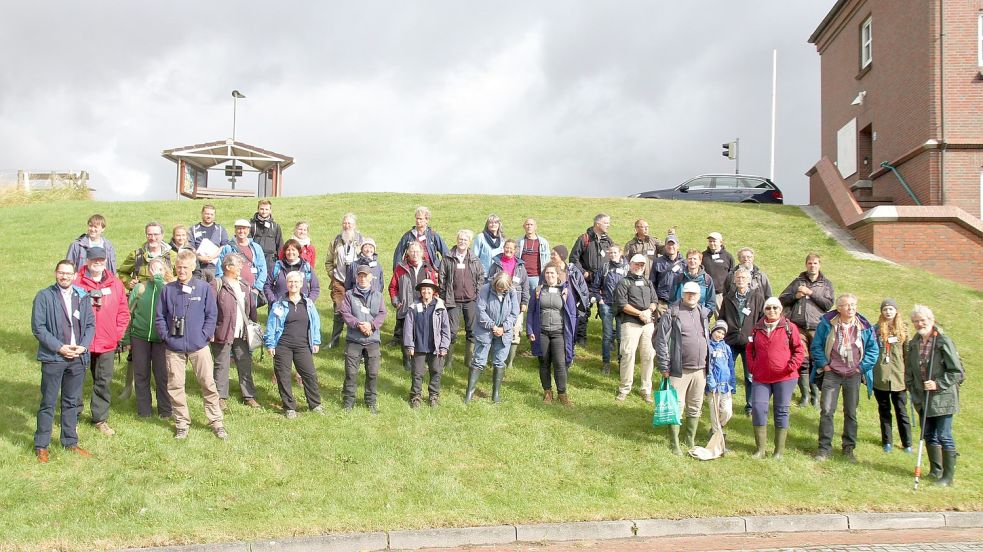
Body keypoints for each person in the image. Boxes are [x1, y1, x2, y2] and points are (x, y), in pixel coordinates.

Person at [155, 250, 225, 440]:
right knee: (176, 386)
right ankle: (182, 423)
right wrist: (166, 337)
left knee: (208, 384)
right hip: (174, 348)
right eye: (179, 267)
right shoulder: (168, 290)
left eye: (185, 267)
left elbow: (212, 315)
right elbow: (160, 317)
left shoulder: (203, 288)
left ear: (193, 267)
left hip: (199, 346)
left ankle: (216, 421)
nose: (182, 271)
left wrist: (204, 335)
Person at [31, 260, 95, 462]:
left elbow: (91, 324)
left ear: (75, 275)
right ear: (55, 273)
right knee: (48, 402)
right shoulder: (44, 296)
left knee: (71, 402)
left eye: (68, 273)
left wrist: (83, 346)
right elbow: (38, 328)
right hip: (54, 357)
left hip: (77, 358)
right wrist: (60, 347)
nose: (64, 276)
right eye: (61, 273)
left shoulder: (82, 296)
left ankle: (70, 442)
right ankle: (42, 445)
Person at [810, 293, 878, 463]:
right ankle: (824, 448)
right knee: (826, 411)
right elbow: (816, 346)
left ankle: (848, 448)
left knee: (851, 412)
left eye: (853, 305)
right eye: (847, 305)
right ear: (839, 308)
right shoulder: (827, 324)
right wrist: (824, 364)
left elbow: (873, 350)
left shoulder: (865, 326)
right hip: (832, 373)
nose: (851, 308)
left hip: (853, 374)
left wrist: (861, 368)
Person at [905, 305, 964, 487]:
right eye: (916, 321)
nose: (919, 324)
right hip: (922, 397)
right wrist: (912, 389)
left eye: (923, 320)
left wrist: (938, 383)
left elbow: (956, 372)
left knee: (944, 434)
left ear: (931, 320)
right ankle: (935, 471)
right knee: (929, 433)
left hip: (943, 397)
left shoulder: (943, 342)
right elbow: (910, 371)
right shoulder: (914, 343)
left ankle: (948, 477)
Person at [73, 247, 129, 437]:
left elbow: (123, 312)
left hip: (107, 341)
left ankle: (100, 418)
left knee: (103, 381)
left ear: (105, 261)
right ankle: (73, 417)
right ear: (87, 261)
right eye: (94, 259)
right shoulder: (76, 283)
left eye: (101, 259)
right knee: (76, 380)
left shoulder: (115, 284)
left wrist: (116, 334)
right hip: (82, 342)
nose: (97, 262)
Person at [655, 281, 712, 455]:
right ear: (683, 294)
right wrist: (664, 365)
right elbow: (661, 341)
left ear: (699, 295)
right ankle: (674, 443)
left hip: (701, 368)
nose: (691, 296)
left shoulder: (703, 313)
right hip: (678, 369)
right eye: (688, 293)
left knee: (695, 405)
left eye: (694, 294)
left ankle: (690, 439)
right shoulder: (672, 313)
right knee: (676, 406)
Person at [746, 297, 805, 459]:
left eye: (775, 308)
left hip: (785, 377)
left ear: (780, 310)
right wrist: (752, 367)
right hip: (761, 377)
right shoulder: (756, 329)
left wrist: (791, 367)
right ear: (764, 310)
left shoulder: (789, 327)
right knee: (758, 408)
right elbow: (749, 350)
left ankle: (778, 451)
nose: (772, 311)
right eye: (768, 308)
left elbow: (799, 350)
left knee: (781, 411)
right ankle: (760, 450)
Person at [265, 271, 324, 419]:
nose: (293, 284)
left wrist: (316, 341)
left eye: (296, 282)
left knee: (309, 375)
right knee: (283, 376)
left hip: (303, 345)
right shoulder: (279, 304)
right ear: (287, 283)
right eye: (290, 281)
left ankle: (315, 404)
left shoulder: (308, 303)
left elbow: (315, 323)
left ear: (301, 284)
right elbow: (271, 325)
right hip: (282, 345)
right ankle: (289, 407)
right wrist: (270, 344)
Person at [779, 252, 834, 408]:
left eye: (815, 263)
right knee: (803, 361)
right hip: (799, 327)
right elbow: (782, 299)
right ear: (806, 265)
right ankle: (805, 396)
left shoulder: (826, 284)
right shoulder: (797, 281)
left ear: (819, 265)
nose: (812, 266)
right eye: (810, 263)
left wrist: (811, 293)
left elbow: (828, 304)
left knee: (816, 361)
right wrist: (796, 296)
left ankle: (816, 396)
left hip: (818, 328)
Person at [210, 253, 261, 411]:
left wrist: (254, 326)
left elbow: (251, 309)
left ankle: (249, 396)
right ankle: (220, 397)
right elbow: (210, 310)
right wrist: (210, 331)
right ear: (228, 267)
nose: (241, 268)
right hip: (222, 331)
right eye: (238, 265)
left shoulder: (244, 284)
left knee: (245, 362)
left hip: (242, 332)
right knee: (222, 364)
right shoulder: (216, 284)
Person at [124, 258, 172, 419]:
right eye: (152, 268)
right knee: (141, 374)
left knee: (162, 375)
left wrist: (159, 281)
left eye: (159, 269)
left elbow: (168, 302)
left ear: (165, 271)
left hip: (161, 339)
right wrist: (126, 339)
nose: (155, 272)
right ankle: (144, 410)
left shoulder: (168, 288)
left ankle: (165, 410)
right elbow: (128, 314)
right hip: (140, 336)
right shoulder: (140, 288)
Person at [526, 263, 577, 406]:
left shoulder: (565, 291)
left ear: (558, 275)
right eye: (547, 273)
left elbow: (573, 314)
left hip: (559, 332)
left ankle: (562, 393)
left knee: (560, 364)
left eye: (552, 273)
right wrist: (530, 330)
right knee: (544, 362)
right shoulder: (538, 291)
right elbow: (531, 312)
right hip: (541, 332)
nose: (549, 276)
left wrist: (571, 333)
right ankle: (547, 392)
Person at [465, 272, 520, 403]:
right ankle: (469, 394)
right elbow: (480, 310)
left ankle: (495, 394)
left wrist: (504, 327)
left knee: (500, 361)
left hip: (504, 332)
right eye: (498, 287)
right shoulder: (485, 289)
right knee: (478, 360)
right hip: (485, 331)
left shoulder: (512, 292)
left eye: (503, 288)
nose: (500, 290)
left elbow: (514, 312)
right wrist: (492, 326)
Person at [339, 265, 387, 413]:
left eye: (365, 276)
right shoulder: (349, 294)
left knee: (372, 373)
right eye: (360, 276)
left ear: (371, 278)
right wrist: (358, 325)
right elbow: (345, 313)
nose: (362, 278)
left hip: (373, 340)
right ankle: (348, 401)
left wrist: (371, 326)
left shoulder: (378, 295)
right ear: (356, 278)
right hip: (354, 339)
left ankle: (371, 402)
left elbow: (382, 313)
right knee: (351, 373)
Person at [720, 267, 766, 415]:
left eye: (743, 278)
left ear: (749, 280)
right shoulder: (728, 298)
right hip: (730, 341)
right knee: (726, 373)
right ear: (734, 279)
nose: (740, 280)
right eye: (738, 278)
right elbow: (721, 317)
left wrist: (757, 337)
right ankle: (725, 404)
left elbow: (761, 319)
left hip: (749, 343)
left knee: (750, 375)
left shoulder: (757, 297)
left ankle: (750, 406)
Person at [614, 255, 658, 403]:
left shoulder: (648, 282)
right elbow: (622, 304)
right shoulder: (623, 282)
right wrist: (640, 313)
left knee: (648, 356)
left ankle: (646, 389)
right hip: (630, 323)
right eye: (636, 264)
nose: (639, 267)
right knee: (628, 355)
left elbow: (654, 301)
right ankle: (624, 388)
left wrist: (649, 311)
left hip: (648, 323)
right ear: (630, 264)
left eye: (642, 265)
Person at [440, 230, 485, 371]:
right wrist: (443, 296)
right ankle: (448, 361)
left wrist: (477, 295)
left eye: (465, 240)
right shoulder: (447, 258)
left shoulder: (474, 259)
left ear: (469, 242)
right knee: (451, 331)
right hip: (452, 300)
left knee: (471, 330)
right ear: (456, 239)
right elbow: (442, 278)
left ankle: (468, 360)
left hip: (471, 301)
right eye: (460, 239)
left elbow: (480, 278)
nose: (462, 242)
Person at [389, 241, 439, 369]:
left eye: (417, 251)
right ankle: (407, 360)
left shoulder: (428, 268)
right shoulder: (401, 268)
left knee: (423, 333)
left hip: (424, 307)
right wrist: (396, 302)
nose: (415, 254)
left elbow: (435, 288)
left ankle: (423, 359)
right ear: (408, 253)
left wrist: (433, 302)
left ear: (422, 253)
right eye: (412, 251)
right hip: (406, 307)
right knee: (405, 334)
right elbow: (393, 287)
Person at [403, 279, 451, 407]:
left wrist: (444, 346)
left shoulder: (440, 307)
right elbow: (408, 327)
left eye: (429, 289)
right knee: (417, 373)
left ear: (433, 291)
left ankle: (433, 396)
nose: (426, 291)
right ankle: (415, 397)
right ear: (420, 291)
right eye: (423, 289)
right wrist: (409, 345)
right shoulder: (413, 306)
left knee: (436, 372)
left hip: (435, 347)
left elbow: (446, 329)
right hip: (418, 346)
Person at [873, 298, 912, 453]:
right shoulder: (876, 330)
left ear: (896, 311)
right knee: (884, 410)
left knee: (901, 411)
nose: (888, 312)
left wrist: (909, 376)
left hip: (899, 378)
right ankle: (887, 441)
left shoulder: (905, 330)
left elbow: (908, 354)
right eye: (885, 309)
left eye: (890, 309)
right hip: (881, 376)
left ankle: (907, 443)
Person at [568, 213, 612, 345]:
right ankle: (580, 337)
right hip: (587, 282)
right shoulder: (584, 239)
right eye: (606, 223)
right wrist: (583, 273)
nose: (608, 225)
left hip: (603, 283)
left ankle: (609, 339)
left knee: (606, 310)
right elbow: (573, 258)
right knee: (583, 308)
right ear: (597, 224)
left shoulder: (608, 241)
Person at [486, 239, 529, 370]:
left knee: (515, 330)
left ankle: (509, 362)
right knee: (497, 329)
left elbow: (525, 285)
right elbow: (488, 280)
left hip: (515, 301)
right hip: (497, 301)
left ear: (515, 250)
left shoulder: (520, 266)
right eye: (506, 248)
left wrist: (524, 302)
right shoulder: (496, 264)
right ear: (503, 248)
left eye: (511, 248)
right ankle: (494, 359)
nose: (508, 250)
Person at [324, 213, 363, 349]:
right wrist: (332, 275)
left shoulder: (361, 241)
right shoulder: (336, 241)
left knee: (357, 313)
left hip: (355, 284)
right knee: (338, 312)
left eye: (349, 223)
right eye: (345, 223)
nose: (347, 226)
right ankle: (334, 342)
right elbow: (328, 261)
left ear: (354, 225)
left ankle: (354, 343)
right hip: (339, 282)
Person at [215, 219, 268, 307]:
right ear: (235, 230)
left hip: (252, 289)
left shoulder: (256, 247)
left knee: (250, 315)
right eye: (239, 228)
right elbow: (220, 268)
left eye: (244, 229)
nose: (241, 231)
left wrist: (257, 288)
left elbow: (263, 269)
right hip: (232, 288)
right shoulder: (228, 248)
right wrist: (224, 286)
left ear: (248, 230)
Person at [117, 221, 177, 290]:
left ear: (162, 235)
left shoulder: (173, 256)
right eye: (150, 234)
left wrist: (174, 281)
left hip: (165, 295)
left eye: (156, 234)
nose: (153, 238)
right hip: (142, 296)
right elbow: (122, 272)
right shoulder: (136, 255)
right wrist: (130, 282)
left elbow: (183, 273)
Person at [598, 244, 629, 374]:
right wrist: (599, 299)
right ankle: (606, 363)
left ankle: (621, 363)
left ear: (620, 253)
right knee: (607, 336)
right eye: (610, 253)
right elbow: (595, 285)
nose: (612, 255)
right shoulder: (605, 267)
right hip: (607, 305)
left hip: (622, 307)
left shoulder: (627, 268)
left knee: (621, 337)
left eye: (615, 252)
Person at [706, 320, 736, 448]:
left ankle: (718, 428)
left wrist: (732, 383)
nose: (720, 335)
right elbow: (707, 367)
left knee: (727, 412)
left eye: (723, 334)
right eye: (718, 332)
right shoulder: (708, 347)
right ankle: (716, 439)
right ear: (713, 331)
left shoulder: (726, 348)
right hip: (713, 387)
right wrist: (711, 382)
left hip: (725, 386)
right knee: (715, 415)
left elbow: (731, 367)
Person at [549, 245, 589, 341]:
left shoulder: (573, 271)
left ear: (562, 255)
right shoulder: (548, 270)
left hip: (570, 304)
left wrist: (582, 304)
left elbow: (583, 288)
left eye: (554, 254)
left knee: (570, 328)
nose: (551, 256)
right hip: (554, 304)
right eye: (551, 254)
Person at [392, 206, 450, 271]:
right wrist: (397, 272)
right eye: (417, 218)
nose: (418, 221)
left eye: (420, 219)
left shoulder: (433, 235)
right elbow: (398, 254)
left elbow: (446, 253)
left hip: (431, 272)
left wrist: (443, 271)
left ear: (427, 220)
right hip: (411, 272)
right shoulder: (408, 236)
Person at [265, 239, 321, 306]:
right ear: (285, 252)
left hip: (302, 307)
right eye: (288, 250)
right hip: (279, 307)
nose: (291, 252)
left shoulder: (306, 267)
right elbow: (267, 286)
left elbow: (315, 288)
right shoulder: (277, 267)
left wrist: (308, 302)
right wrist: (274, 301)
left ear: (299, 252)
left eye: (293, 250)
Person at [189, 204, 230, 283]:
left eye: (211, 214)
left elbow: (224, 246)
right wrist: (200, 257)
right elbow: (190, 246)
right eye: (207, 213)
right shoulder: (193, 229)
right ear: (202, 214)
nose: (209, 216)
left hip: (216, 268)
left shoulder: (220, 229)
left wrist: (212, 256)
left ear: (214, 216)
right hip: (198, 268)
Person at [670, 249, 716, 316]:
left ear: (700, 261)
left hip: (700, 316)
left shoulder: (707, 279)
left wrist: (706, 315)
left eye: (695, 259)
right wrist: (674, 313)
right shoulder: (679, 278)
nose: (692, 261)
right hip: (680, 315)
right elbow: (672, 299)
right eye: (690, 258)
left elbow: (711, 301)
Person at [651, 233, 685, 316]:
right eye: (668, 244)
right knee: (661, 326)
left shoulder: (684, 263)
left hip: (679, 303)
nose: (671, 247)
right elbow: (652, 282)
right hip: (662, 303)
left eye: (673, 244)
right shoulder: (657, 262)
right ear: (665, 246)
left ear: (678, 246)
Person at [517, 218, 550, 296]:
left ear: (535, 227)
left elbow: (547, 260)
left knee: (536, 300)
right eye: (527, 224)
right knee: (520, 300)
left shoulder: (543, 242)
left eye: (531, 225)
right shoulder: (519, 241)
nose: (529, 226)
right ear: (524, 226)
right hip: (521, 276)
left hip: (536, 277)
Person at [702, 232, 733, 311]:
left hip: (721, 294)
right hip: (706, 293)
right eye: (710, 241)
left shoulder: (728, 256)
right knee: (703, 316)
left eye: (714, 241)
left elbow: (731, 274)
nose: (712, 243)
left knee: (721, 318)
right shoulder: (703, 256)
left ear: (721, 242)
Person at [249, 199, 283, 269]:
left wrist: (281, 261)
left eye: (266, 209)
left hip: (271, 261)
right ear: (258, 209)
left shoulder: (275, 226)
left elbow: (280, 245)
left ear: (270, 210)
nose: (264, 212)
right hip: (255, 258)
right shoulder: (251, 225)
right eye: (262, 209)